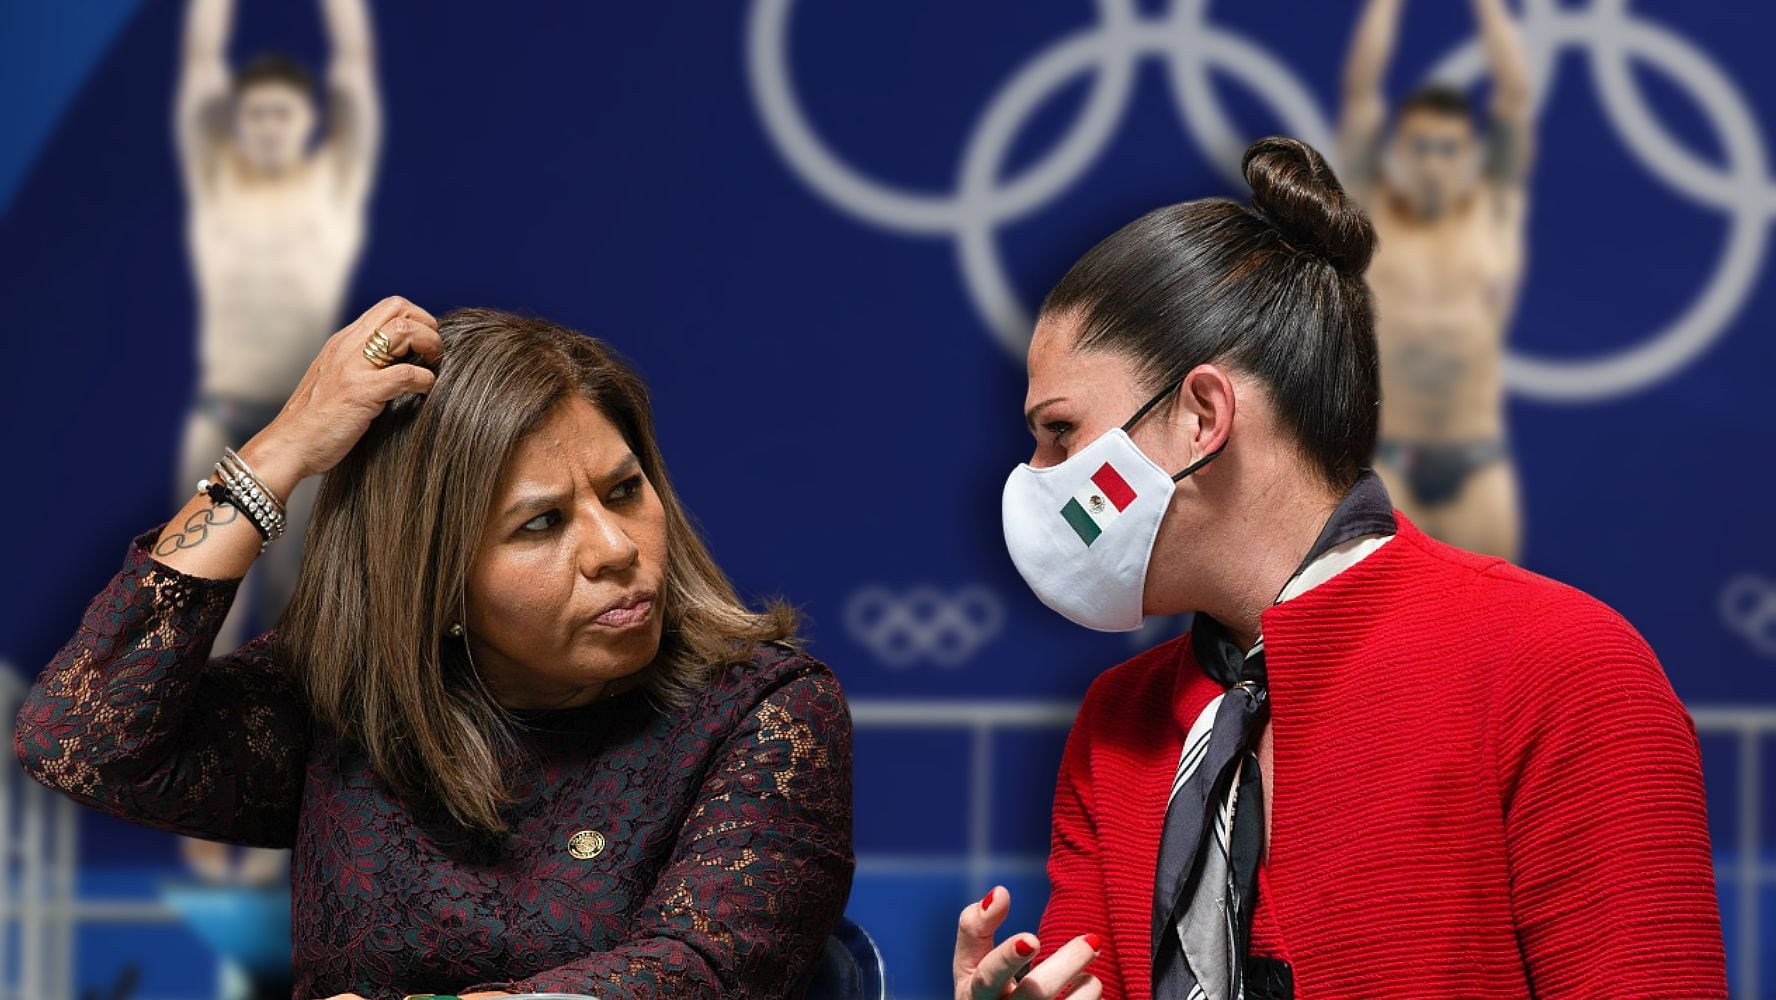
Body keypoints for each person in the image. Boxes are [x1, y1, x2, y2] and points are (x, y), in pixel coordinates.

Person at [951, 138, 1724, 999]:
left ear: (1204, 417)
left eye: (1060, 431)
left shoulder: (1560, 669)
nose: (1035, 477)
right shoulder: (1115, 724)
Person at [15, 298, 855, 998]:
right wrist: (280, 454)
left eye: (625, 490)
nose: (614, 548)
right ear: (438, 584)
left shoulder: (766, 712)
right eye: (542, 522)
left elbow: (704, 973)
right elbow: (81, 740)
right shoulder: (346, 704)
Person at [173, 0, 383, 886]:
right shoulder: (215, 184)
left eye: (283, 115)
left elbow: (357, 77)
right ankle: (194, 827)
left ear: (308, 126)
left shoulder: (332, 185)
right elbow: (197, 67)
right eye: (252, 114)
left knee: (317, 629)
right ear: (236, 124)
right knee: (190, 619)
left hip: (317, 437)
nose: (266, 127)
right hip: (223, 427)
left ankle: (302, 832)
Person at [1339, 0, 1533, 561]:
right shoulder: (1370, 214)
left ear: (1469, 154)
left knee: (1496, 637)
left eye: (1447, 149)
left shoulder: (1496, 210)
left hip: (1477, 463)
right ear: (1398, 150)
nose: (1432, 163)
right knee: (1383, 641)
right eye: (1420, 148)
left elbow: (1515, 98)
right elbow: (1360, 95)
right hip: (1391, 463)